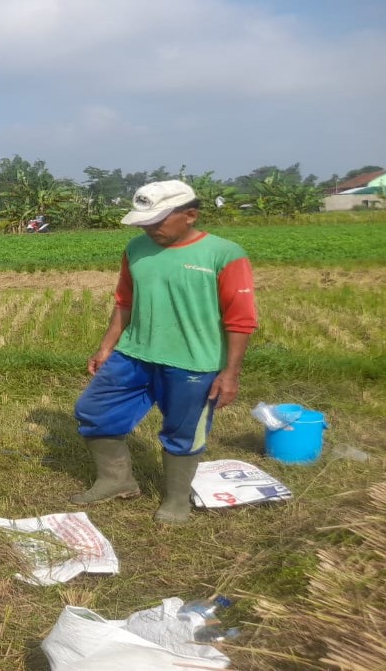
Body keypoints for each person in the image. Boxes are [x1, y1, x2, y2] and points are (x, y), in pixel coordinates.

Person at [69, 180, 257, 524]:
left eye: (157, 220)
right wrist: (106, 347)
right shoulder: (136, 249)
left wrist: (230, 374)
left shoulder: (224, 254)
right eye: (144, 221)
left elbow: (240, 319)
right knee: (93, 411)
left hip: (194, 363)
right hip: (135, 354)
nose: (149, 228)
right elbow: (125, 301)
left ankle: (175, 499)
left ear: (190, 215)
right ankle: (116, 480)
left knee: (183, 432)